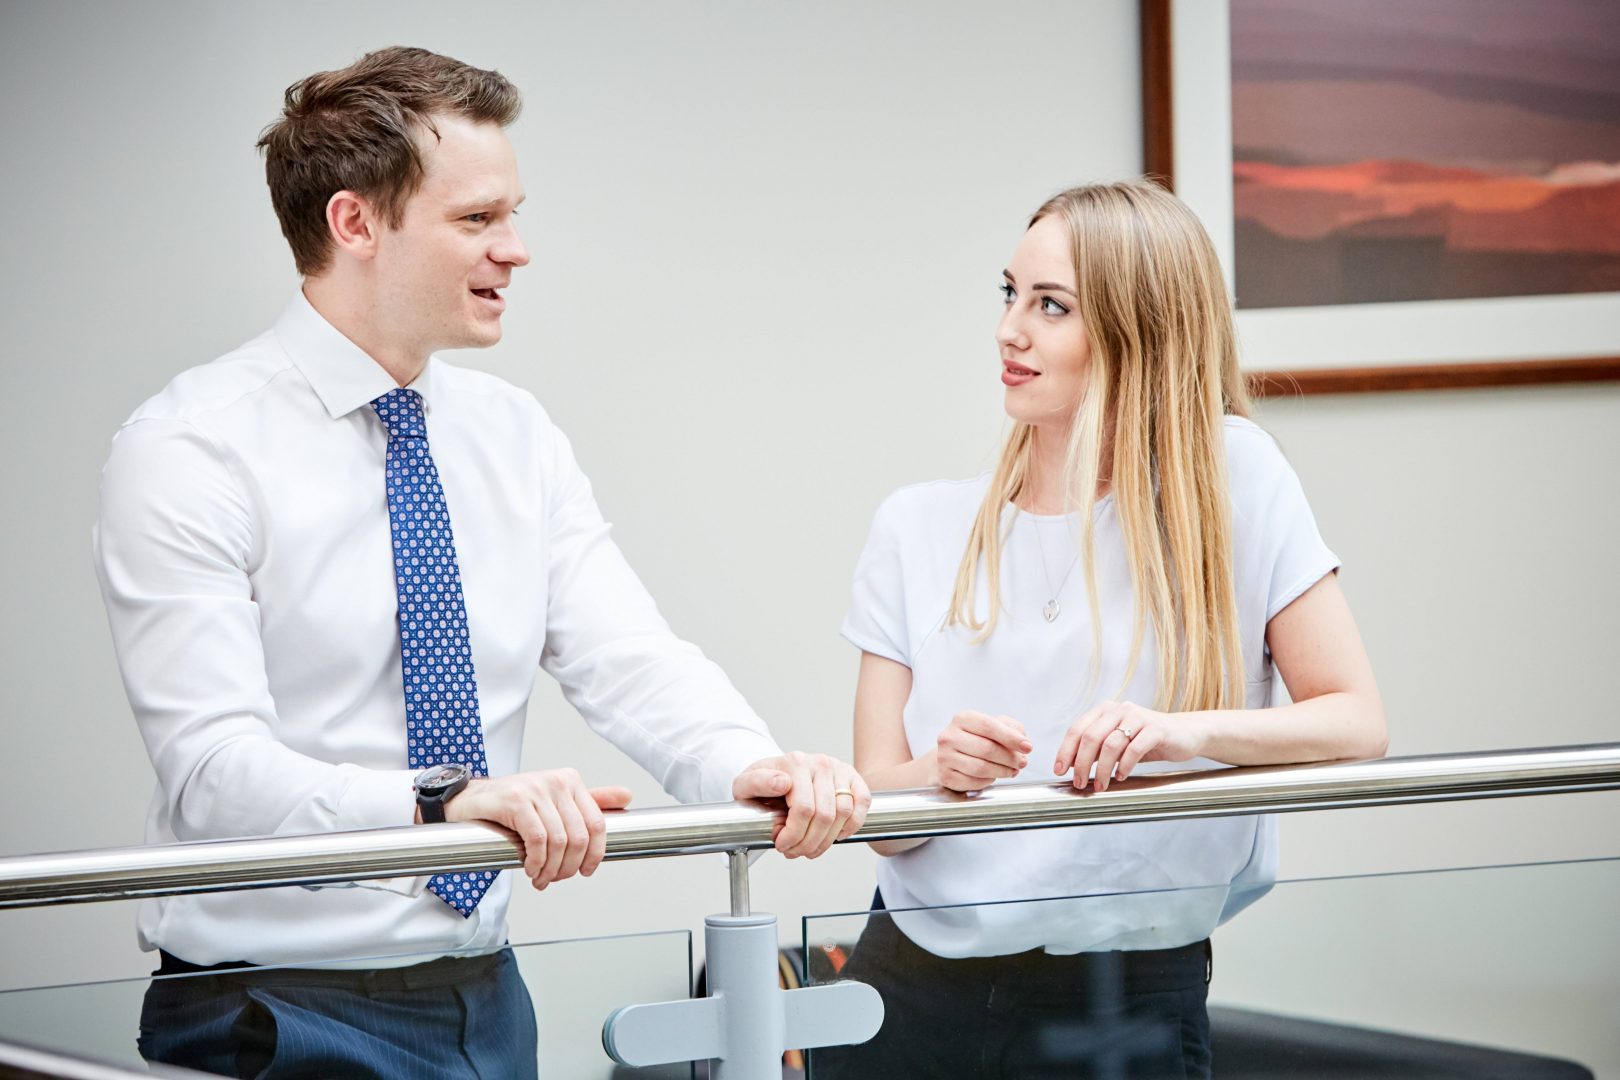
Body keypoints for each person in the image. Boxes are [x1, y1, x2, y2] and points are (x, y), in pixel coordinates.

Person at [93, 46, 871, 1078]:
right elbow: (214, 773)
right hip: (271, 1010)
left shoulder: (514, 435)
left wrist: (745, 761)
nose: (517, 250)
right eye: (476, 220)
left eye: (512, 214)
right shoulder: (190, 446)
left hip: (485, 998)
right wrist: (437, 801)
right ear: (355, 223)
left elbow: (627, 654)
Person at [816, 180, 1386, 1079]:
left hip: (1130, 999)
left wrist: (1179, 732)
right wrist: (939, 773)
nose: (1011, 330)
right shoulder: (914, 528)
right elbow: (883, 825)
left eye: (1052, 307)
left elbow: (1355, 722)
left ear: (1137, 330)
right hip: (912, 994)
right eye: (1011, 295)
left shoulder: (1237, 479)